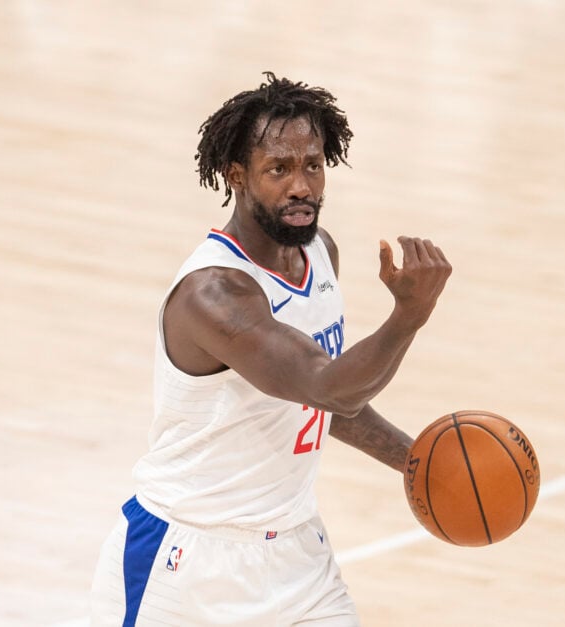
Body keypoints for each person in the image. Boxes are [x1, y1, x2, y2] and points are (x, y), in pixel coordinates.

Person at [90, 72, 452, 626]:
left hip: (296, 555)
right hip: (188, 566)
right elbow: (325, 385)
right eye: (278, 169)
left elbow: (328, 404)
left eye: (312, 164)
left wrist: (415, 462)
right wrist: (408, 317)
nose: (302, 185)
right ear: (237, 176)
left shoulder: (321, 254)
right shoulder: (213, 295)